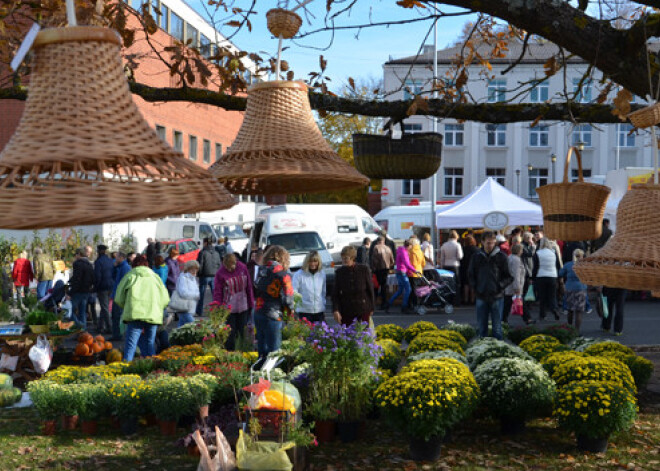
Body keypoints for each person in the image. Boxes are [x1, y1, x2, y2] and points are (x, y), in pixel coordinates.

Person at [114, 255, 169, 361]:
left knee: (131, 345)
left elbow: (119, 298)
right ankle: (152, 370)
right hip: (153, 315)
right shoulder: (155, 277)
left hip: (135, 314)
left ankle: (126, 371)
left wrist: (127, 306)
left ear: (134, 265)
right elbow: (165, 299)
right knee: (150, 343)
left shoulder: (130, 276)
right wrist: (157, 308)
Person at [468, 231, 512, 340]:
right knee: (482, 327)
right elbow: (470, 274)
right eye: (488, 243)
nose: (490, 245)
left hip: (497, 295)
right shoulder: (476, 256)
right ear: (482, 242)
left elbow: (509, 276)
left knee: (497, 327)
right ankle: (482, 348)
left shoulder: (501, 256)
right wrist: (476, 288)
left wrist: (499, 286)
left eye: (492, 243)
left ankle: (498, 349)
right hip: (481, 294)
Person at [254, 246, 295, 360]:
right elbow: (288, 298)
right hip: (273, 314)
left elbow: (256, 288)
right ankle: (271, 376)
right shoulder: (283, 274)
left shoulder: (261, 270)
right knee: (274, 352)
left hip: (258, 311)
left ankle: (259, 375)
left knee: (262, 350)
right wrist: (289, 313)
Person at [213, 253, 254, 350]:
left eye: (231, 267)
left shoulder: (242, 268)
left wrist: (251, 302)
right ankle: (230, 352)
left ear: (235, 262)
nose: (230, 270)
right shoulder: (220, 273)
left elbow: (248, 287)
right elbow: (218, 291)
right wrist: (217, 306)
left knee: (242, 331)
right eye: (227, 267)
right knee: (230, 333)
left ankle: (243, 350)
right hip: (229, 307)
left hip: (243, 305)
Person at [332, 246, 374, 326]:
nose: (344, 260)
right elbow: (335, 294)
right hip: (346, 310)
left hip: (363, 309)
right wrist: (336, 310)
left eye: (346, 258)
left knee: (363, 335)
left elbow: (370, 289)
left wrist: (371, 307)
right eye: (342, 258)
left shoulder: (364, 269)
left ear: (352, 258)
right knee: (347, 336)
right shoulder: (340, 272)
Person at [532, 237, 562, 321]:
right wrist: (559, 277)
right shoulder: (553, 252)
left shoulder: (538, 253)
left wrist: (533, 277)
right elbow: (557, 265)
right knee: (552, 296)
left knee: (542, 297)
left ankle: (542, 314)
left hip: (541, 276)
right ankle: (554, 309)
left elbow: (535, 267)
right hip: (552, 276)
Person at [292, 251, 326, 323]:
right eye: (310, 261)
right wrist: (295, 308)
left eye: (315, 261)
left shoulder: (322, 274)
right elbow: (294, 291)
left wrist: (323, 304)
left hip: (319, 311)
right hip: (304, 311)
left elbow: (323, 292)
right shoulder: (298, 275)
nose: (313, 264)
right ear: (306, 262)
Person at [559, 249, 587, 333]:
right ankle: (577, 331)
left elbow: (560, 273)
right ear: (582, 256)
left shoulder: (568, 265)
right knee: (579, 312)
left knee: (570, 310)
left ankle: (570, 329)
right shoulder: (584, 265)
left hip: (569, 288)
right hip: (581, 288)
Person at [385, 240, 417, 314]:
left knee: (400, 291)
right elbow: (407, 263)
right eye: (411, 246)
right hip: (402, 272)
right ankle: (404, 306)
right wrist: (414, 270)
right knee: (408, 289)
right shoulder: (404, 252)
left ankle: (388, 304)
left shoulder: (400, 250)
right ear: (409, 246)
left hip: (399, 271)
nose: (411, 248)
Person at [68, 248, 95, 330]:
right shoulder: (89, 264)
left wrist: (70, 292)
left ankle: (80, 326)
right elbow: (92, 278)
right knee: (82, 312)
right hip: (86, 290)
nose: (75, 256)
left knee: (68, 311)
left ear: (79, 254)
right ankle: (83, 331)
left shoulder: (78, 264)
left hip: (78, 291)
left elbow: (77, 279)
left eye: (76, 254)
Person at [197, 237, 222, 316]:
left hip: (204, 275)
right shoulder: (216, 253)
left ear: (205, 243)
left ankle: (199, 311)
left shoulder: (202, 252)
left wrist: (199, 274)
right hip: (214, 275)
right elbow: (219, 264)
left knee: (201, 294)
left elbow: (200, 264)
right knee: (215, 295)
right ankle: (216, 310)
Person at [110, 252, 131, 341]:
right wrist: (114, 267)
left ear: (121, 257)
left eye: (117, 257)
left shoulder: (125, 267)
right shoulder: (120, 266)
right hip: (117, 293)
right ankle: (116, 333)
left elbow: (124, 282)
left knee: (117, 315)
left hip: (119, 295)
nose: (115, 259)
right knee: (115, 315)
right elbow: (113, 277)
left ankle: (118, 334)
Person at [503, 244, 526, 325]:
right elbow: (516, 274)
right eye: (522, 250)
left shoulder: (509, 257)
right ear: (519, 250)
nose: (522, 251)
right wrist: (517, 287)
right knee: (510, 303)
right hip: (514, 286)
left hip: (509, 286)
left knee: (508, 303)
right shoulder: (516, 260)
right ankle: (503, 320)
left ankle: (527, 318)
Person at [173, 260, 200, 327]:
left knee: (182, 326)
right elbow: (183, 293)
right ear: (188, 269)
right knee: (194, 326)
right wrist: (195, 295)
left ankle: (176, 337)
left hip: (189, 307)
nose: (194, 271)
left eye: (196, 269)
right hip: (184, 307)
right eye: (192, 269)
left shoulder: (193, 278)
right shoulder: (183, 278)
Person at [94, 244, 114, 334]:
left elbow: (97, 276)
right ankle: (100, 326)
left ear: (99, 251)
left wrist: (95, 287)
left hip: (102, 286)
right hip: (110, 286)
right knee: (104, 306)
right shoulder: (110, 260)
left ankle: (109, 327)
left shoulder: (98, 262)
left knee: (105, 307)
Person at [371, 237, 394, 310]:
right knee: (384, 287)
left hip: (378, 269)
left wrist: (373, 269)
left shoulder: (376, 248)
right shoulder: (388, 248)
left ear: (378, 242)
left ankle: (373, 304)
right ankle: (383, 303)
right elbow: (392, 261)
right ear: (383, 241)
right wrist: (389, 267)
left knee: (376, 287)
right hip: (386, 269)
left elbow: (374, 260)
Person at [440, 230, 463, 304]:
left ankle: (447, 300)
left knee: (447, 284)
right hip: (454, 265)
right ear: (456, 237)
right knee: (456, 284)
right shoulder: (457, 245)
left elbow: (442, 258)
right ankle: (456, 301)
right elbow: (460, 256)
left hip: (446, 266)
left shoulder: (444, 245)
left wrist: (441, 266)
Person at [459, 236, 478, 305]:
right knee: (472, 284)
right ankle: (472, 299)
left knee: (465, 284)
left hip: (464, 268)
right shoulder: (476, 249)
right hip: (474, 268)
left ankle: (466, 299)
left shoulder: (463, 249)